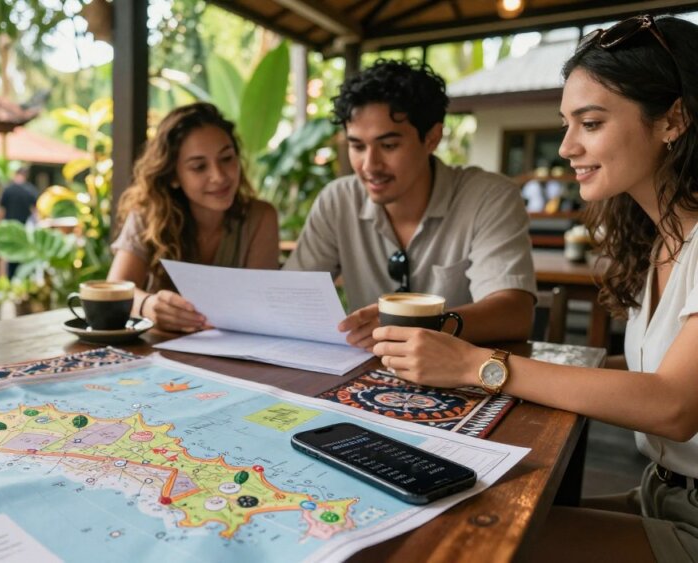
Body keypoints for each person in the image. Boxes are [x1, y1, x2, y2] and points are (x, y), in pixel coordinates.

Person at [372, 15, 698, 562]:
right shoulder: (662, 241)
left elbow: (673, 404)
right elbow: (653, 375)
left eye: (590, 123)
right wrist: (486, 368)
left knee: (463, 547)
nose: (566, 147)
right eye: (566, 124)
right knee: (456, 514)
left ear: (674, 120)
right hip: (663, 493)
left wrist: (480, 366)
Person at [284, 59, 536, 348]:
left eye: (389, 146)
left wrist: (414, 326)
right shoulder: (338, 200)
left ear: (432, 138)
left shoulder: (489, 197)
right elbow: (290, 297)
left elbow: (514, 313)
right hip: (363, 374)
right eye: (357, 146)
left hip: (461, 377)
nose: (369, 165)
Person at [107, 102, 280, 332]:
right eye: (199, 167)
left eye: (227, 158)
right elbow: (114, 289)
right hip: (158, 353)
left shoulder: (260, 218)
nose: (218, 177)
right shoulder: (147, 215)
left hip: (234, 357)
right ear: (173, 176)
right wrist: (148, 305)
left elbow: (260, 305)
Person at [0, 168, 39, 278]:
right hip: (22, 232)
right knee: (20, 258)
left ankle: (3, 282)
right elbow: (36, 213)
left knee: (5, 257)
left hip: (7, 231)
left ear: (15, 174)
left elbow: (1, 212)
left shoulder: (8, 190)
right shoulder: (30, 191)